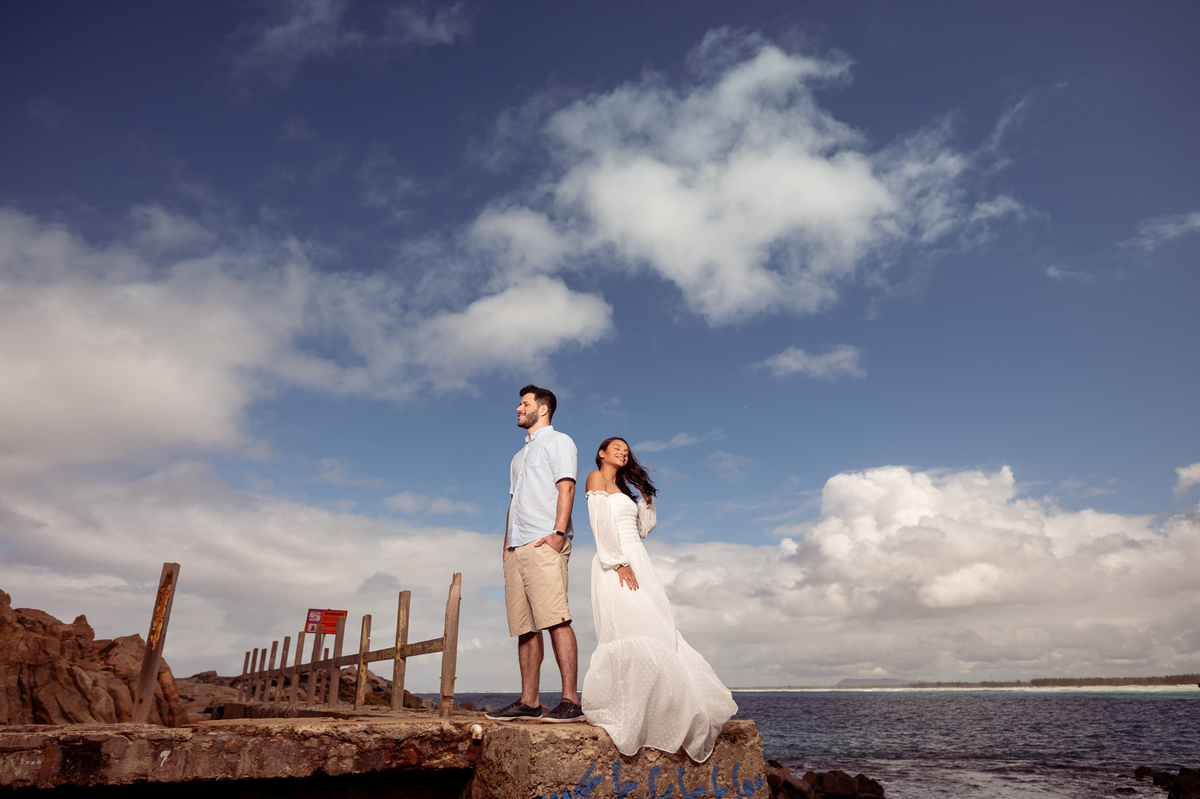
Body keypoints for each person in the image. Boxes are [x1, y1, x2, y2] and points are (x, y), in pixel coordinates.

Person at [581, 437, 738, 761]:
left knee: (655, 629)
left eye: (626, 452)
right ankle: (626, 709)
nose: (623, 454)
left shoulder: (625, 491)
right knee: (628, 631)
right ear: (601, 453)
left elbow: (642, 530)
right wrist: (618, 562)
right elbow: (599, 525)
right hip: (615, 562)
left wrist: (646, 501)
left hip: (638, 559)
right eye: (617, 449)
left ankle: (658, 710)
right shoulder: (595, 478)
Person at [486, 385, 584, 722]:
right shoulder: (518, 457)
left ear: (542, 409)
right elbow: (514, 502)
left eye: (523, 404)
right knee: (525, 627)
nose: (517, 409)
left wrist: (558, 533)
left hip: (545, 542)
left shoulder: (559, 442)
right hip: (516, 547)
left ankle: (571, 701)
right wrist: (505, 545)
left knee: (556, 619)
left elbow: (566, 487)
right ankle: (530, 701)